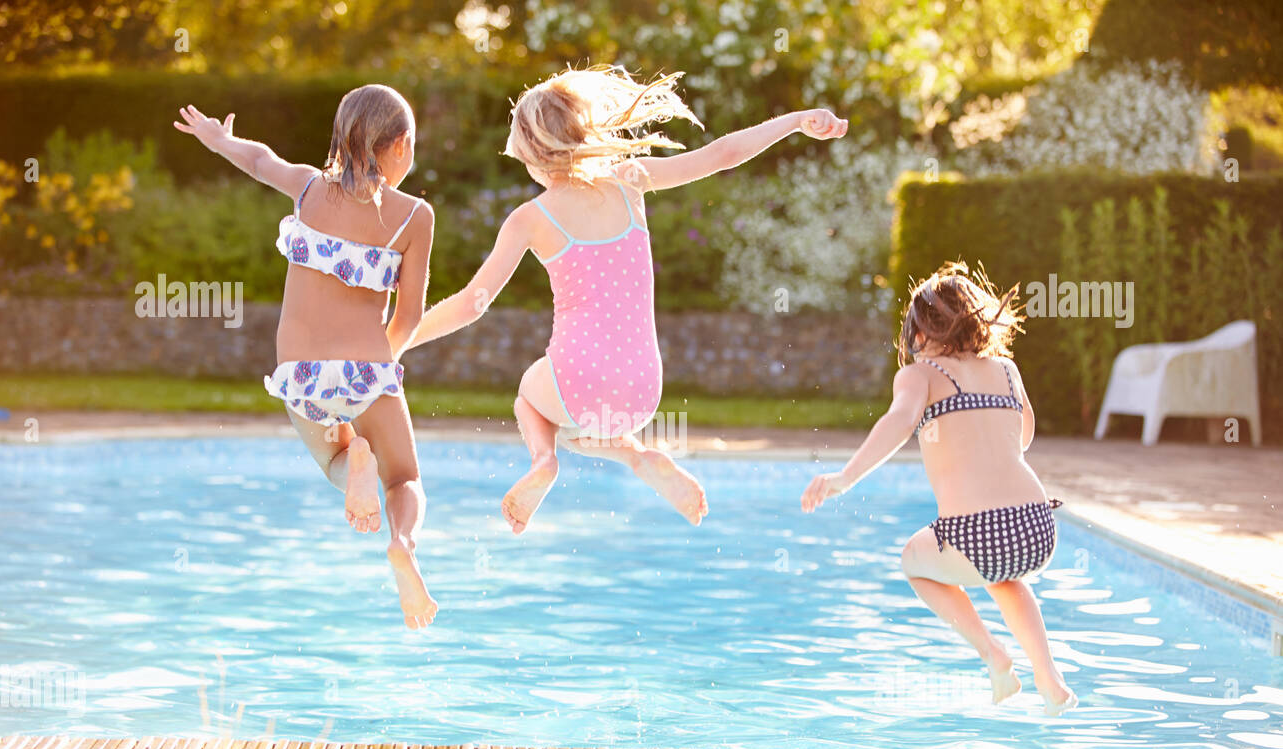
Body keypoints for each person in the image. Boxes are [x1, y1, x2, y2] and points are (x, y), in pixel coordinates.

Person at [399, 66, 847, 534]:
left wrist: (402, 337)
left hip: (575, 380)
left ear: (533, 156)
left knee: (531, 404)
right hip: (643, 390)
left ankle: (543, 462)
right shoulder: (631, 180)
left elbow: (474, 303)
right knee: (584, 429)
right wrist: (796, 120)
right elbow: (723, 155)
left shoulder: (529, 218)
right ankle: (638, 455)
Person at [173, 86, 438, 628]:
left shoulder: (309, 189)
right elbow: (408, 317)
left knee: (335, 462)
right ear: (402, 145)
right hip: (366, 371)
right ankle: (402, 544)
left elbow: (258, 159)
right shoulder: (414, 216)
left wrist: (219, 139)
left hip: (299, 376)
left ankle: (353, 462)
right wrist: (374, 372)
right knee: (404, 480)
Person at [801, 262, 1077, 715]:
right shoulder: (1007, 370)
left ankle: (994, 655)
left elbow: (898, 422)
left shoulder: (921, 375)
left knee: (914, 563)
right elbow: (1023, 436)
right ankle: (1050, 680)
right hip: (1036, 528)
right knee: (1006, 578)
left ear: (922, 331)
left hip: (976, 534)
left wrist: (844, 477)